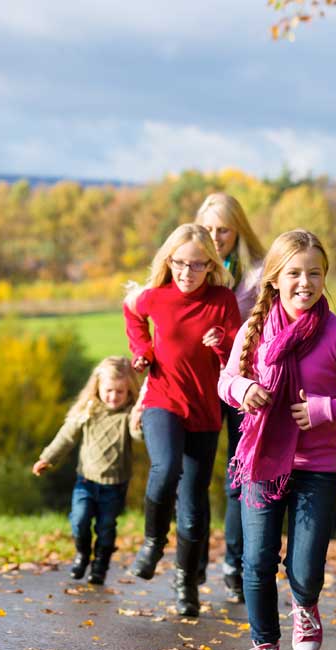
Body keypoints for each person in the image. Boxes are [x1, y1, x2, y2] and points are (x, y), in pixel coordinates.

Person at [219, 229, 336, 650]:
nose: (304, 283)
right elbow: (225, 380)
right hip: (261, 461)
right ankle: (262, 645)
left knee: (305, 568)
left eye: (314, 273)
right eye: (294, 273)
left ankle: (305, 605)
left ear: (325, 277)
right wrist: (244, 388)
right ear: (274, 278)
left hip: (317, 465)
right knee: (257, 558)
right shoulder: (256, 328)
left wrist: (326, 408)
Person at [124, 223, 241, 617]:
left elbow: (239, 355)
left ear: (211, 264)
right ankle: (153, 542)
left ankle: (185, 584)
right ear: (168, 260)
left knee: (193, 507)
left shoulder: (223, 300)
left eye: (195, 265)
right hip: (163, 399)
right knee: (165, 466)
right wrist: (142, 350)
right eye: (179, 263)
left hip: (206, 412)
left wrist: (222, 344)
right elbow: (131, 311)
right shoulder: (156, 297)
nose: (186, 273)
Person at [194, 192, 266, 603]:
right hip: (201, 383)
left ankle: (234, 564)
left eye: (223, 229)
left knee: (239, 476)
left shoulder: (256, 275)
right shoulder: (192, 266)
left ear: (238, 229)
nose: (215, 237)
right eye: (208, 229)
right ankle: (194, 560)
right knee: (196, 475)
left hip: (243, 384)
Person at [33, 356, 144, 585]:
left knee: (105, 528)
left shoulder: (128, 414)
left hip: (115, 485)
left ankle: (100, 566)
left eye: (120, 392)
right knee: (80, 520)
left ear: (129, 391)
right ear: (98, 387)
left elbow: (138, 437)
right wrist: (47, 458)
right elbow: (66, 437)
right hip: (86, 481)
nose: (113, 397)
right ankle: (82, 553)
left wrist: (137, 420)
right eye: (109, 390)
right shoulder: (88, 410)